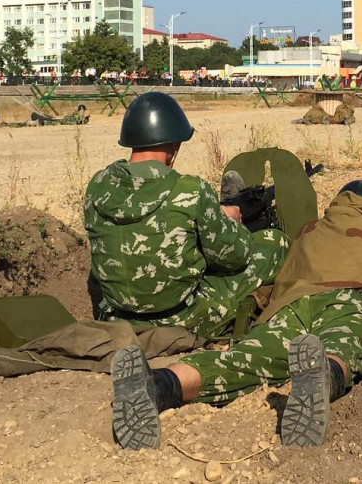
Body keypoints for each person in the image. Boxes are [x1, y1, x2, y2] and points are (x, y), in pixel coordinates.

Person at [111, 180, 362, 451]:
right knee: (343, 346)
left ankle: (159, 384)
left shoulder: (311, 230)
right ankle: (323, 374)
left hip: (290, 307)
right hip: (348, 303)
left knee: (240, 361)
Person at [84, 92, 289, 341]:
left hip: (116, 319)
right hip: (180, 321)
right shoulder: (190, 190)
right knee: (275, 243)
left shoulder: (97, 186)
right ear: (173, 145)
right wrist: (229, 224)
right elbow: (235, 258)